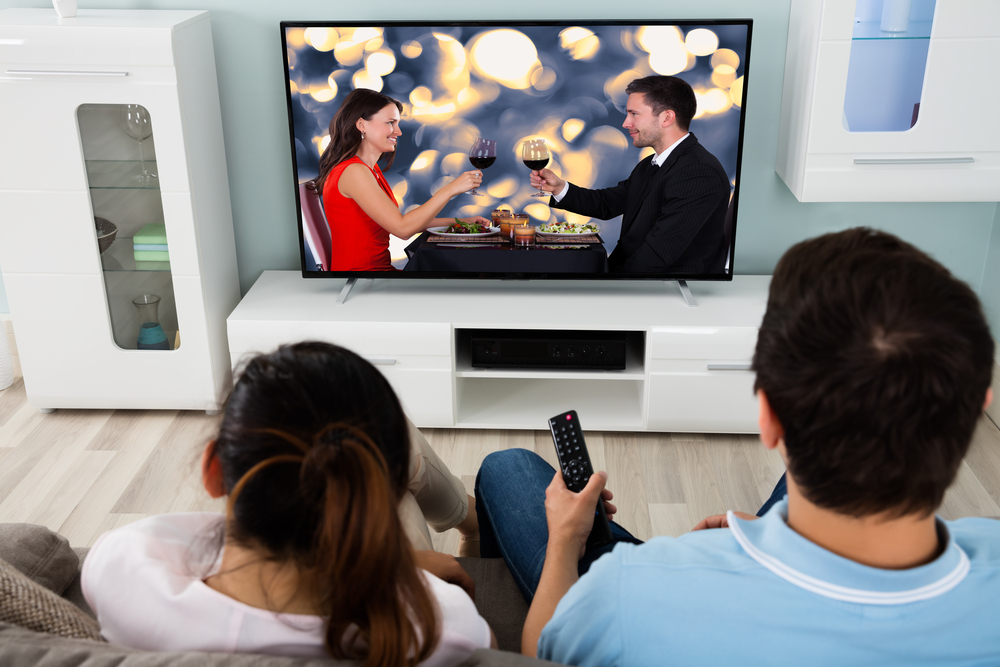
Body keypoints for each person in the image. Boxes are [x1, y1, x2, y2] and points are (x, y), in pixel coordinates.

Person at [476, 227, 1000, 665]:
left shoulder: (626, 592)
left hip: (658, 597)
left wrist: (566, 539)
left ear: (768, 419)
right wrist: (764, 538)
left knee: (507, 467)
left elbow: (543, 652)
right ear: (978, 404)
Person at [83, 342, 495, 666]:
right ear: (370, 497)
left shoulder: (118, 570)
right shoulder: (442, 626)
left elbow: (181, 542)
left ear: (213, 471)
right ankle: (468, 520)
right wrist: (403, 566)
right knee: (390, 442)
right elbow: (492, 651)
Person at [530, 75, 731, 274]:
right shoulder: (651, 164)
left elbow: (657, 256)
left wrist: (604, 283)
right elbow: (607, 203)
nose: (626, 123)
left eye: (634, 114)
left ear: (667, 118)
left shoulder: (698, 172)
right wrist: (559, 188)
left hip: (661, 292)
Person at [313, 89, 488, 271]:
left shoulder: (368, 170)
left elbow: (404, 222)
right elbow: (403, 229)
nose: (398, 132)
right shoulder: (353, 171)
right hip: (366, 277)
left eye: (397, 123)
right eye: (390, 123)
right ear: (361, 125)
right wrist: (450, 189)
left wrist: (462, 222)